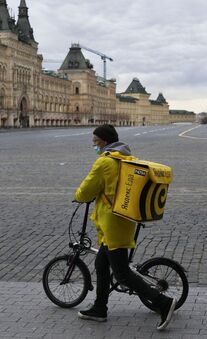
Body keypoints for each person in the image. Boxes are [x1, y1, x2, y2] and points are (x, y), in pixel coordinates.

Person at [74, 124, 176, 331]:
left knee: (121, 274)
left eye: (95, 142)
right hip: (123, 219)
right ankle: (99, 308)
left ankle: (163, 303)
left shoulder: (104, 162)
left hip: (113, 225)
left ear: (103, 141)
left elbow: (86, 189)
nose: (94, 145)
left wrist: (78, 197)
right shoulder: (126, 159)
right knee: (102, 265)